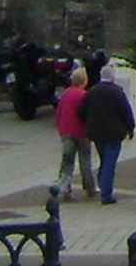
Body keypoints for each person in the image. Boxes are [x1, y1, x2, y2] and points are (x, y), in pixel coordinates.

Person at [83, 64, 136, 204]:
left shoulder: (92, 92)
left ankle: (102, 184)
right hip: (114, 133)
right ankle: (106, 193)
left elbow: (81, 110)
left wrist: (88, 123)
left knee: (104, 159)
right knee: (109, 163)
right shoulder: (117, 92)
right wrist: (130, 128)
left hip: (97, 133)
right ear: (112, 77)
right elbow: (126, 111)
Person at [52, 66, 91, 201]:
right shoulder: (84, 95)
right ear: (84, 81)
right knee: (85, 160)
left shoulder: (66, 94)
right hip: (81, 132)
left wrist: (60, 128)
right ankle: (89, 187)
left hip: (66, 131)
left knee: (67, 161)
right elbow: (87, 115)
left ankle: (64, 188)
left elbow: (59, 112)